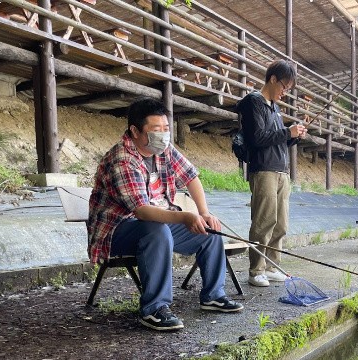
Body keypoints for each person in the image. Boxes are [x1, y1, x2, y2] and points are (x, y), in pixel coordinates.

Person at [88, 98, 243, 331]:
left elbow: (191, 176)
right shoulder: (122, 159)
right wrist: (184, 217)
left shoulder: (163, 150)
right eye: (156, 130)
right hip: (117, 232)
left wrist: (203, 213)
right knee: (157, 231)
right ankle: (154, 309)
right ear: (135, 131)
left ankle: (213, 295)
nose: (163, 135)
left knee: (209, 229)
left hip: (157, 224)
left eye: (166, 129)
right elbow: (141, 211)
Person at [235, 60, 307, 287]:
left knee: (280, 224)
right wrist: (287, 131)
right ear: (273, 79)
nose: (285, 92)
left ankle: (272, 265)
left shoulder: (275, 108)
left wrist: (293, 136)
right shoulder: (252, 103)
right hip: (263, 170)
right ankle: (256, 270)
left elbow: (278, 142)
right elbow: (257, 138)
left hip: (281, 171)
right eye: (284, 87)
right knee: (263, 222)